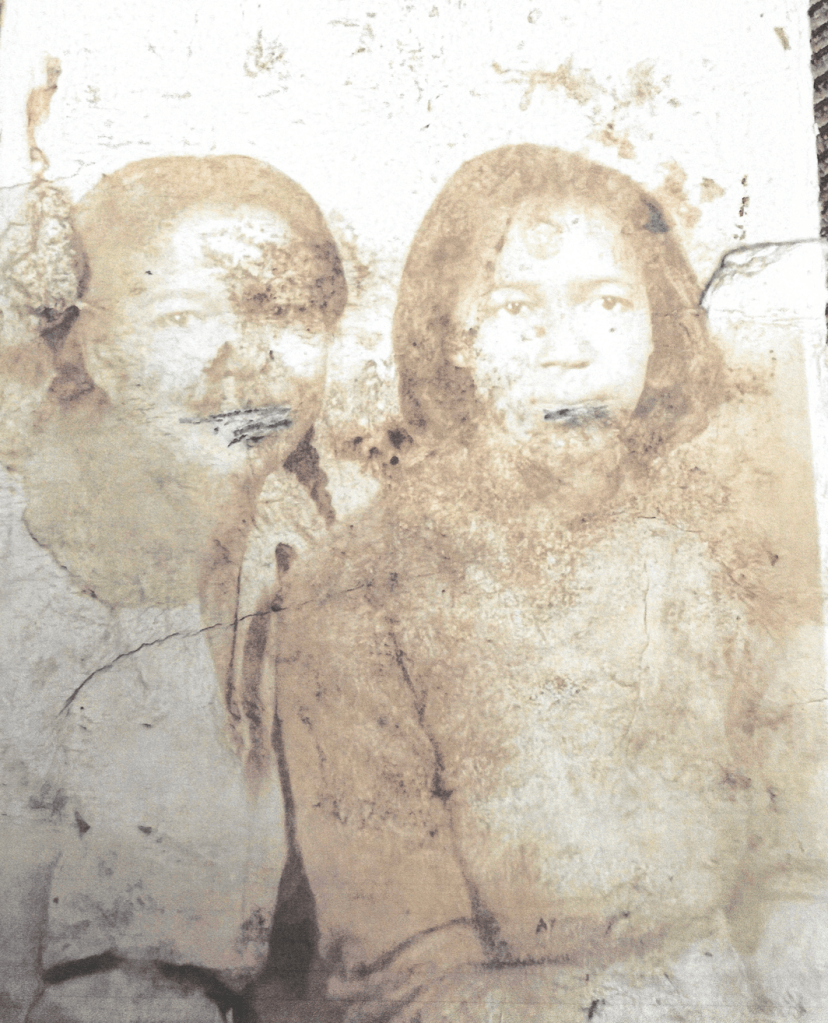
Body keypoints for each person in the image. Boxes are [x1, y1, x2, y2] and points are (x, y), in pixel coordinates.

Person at [273, 145, 826, 1021]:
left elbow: (804, 868)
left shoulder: (725, 552)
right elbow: (406, 978)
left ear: (657, 326)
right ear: (456, 340)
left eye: (608, 304)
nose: (567, 351)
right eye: (514, 308)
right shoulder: (355, 592)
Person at [14, 154, 347, 1022]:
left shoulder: (305, 555)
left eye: (286, 310)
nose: (244, 362)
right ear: (103, 352)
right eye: (184, 316)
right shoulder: (28, 575)